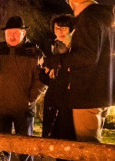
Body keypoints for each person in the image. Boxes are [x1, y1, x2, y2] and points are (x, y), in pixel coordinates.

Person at [44, 0, 115, 143]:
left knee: (86, 149)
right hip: (102, 93)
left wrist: (57, 60)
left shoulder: (87, 20)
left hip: (87, 94)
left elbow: (87, 56)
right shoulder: (105, 20)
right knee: (92, 144)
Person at [0, 16, 46, 161]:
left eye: (15, 33)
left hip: (23, 108)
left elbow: (42, 79)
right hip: (1, 106)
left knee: (25, 148)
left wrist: (31, 98)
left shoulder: (34, 53)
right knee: (1, 148)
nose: (11, 36)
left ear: (24, 33)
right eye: (8, 33)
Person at [39, 15, 76, 145]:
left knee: (66, 137)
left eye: (63, 28)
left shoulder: (76, 48)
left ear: (70, 29)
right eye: (56, 28)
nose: (59, 31)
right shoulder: (52, 46)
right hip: (53, 97)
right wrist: (43, 71)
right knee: (52, 138)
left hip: (69, 98)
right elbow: (47, 79)